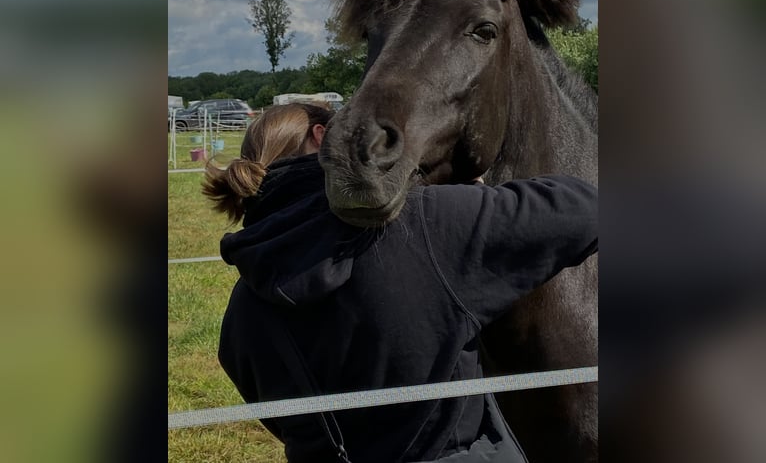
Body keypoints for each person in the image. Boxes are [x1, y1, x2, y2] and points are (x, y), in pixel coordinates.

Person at [203, 103, 598, 463]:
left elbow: (282, 419)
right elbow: (582, 209)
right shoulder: (425, 226)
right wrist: (476, 202)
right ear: (323, 137)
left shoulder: (240, 316)